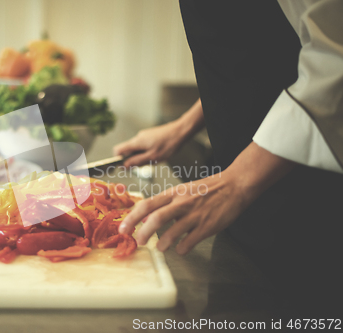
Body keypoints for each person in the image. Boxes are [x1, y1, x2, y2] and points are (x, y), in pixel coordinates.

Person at [115, 0, 343, 316]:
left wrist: (238, 182)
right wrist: (183, 126)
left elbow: (335, 61)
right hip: (243, 192)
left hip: (311, 207)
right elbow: (259, 58)